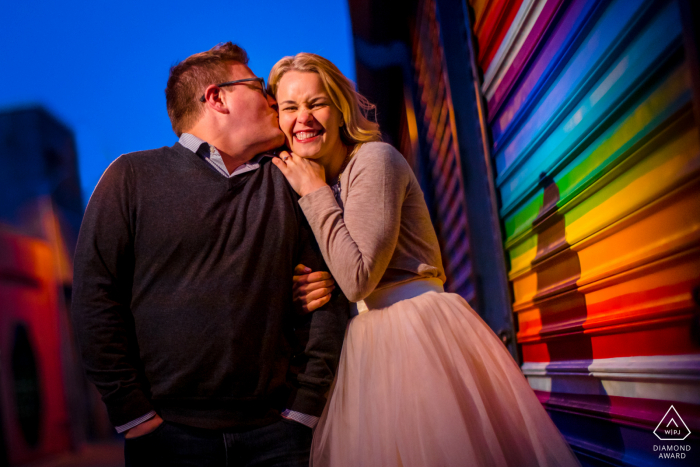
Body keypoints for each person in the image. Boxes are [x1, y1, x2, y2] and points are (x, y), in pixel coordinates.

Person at [269, 53, 581, 467]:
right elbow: (342, 266)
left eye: (316, 103)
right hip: (362, 346)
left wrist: (313, 194)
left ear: (341, 108)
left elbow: (359, 277)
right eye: (289, 107)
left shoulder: (373, 160)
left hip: (414, 333)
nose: (302, 118)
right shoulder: (323, 179)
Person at [71, 43, 348, 467]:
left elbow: (327, 303)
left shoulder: (291, 179)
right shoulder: (130, 177)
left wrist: (303, 410)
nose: (273, 100)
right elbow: (94, 301)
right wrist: (135, 416)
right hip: (167, 440)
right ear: (217, 97)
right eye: (258, 87)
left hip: (279, 436)